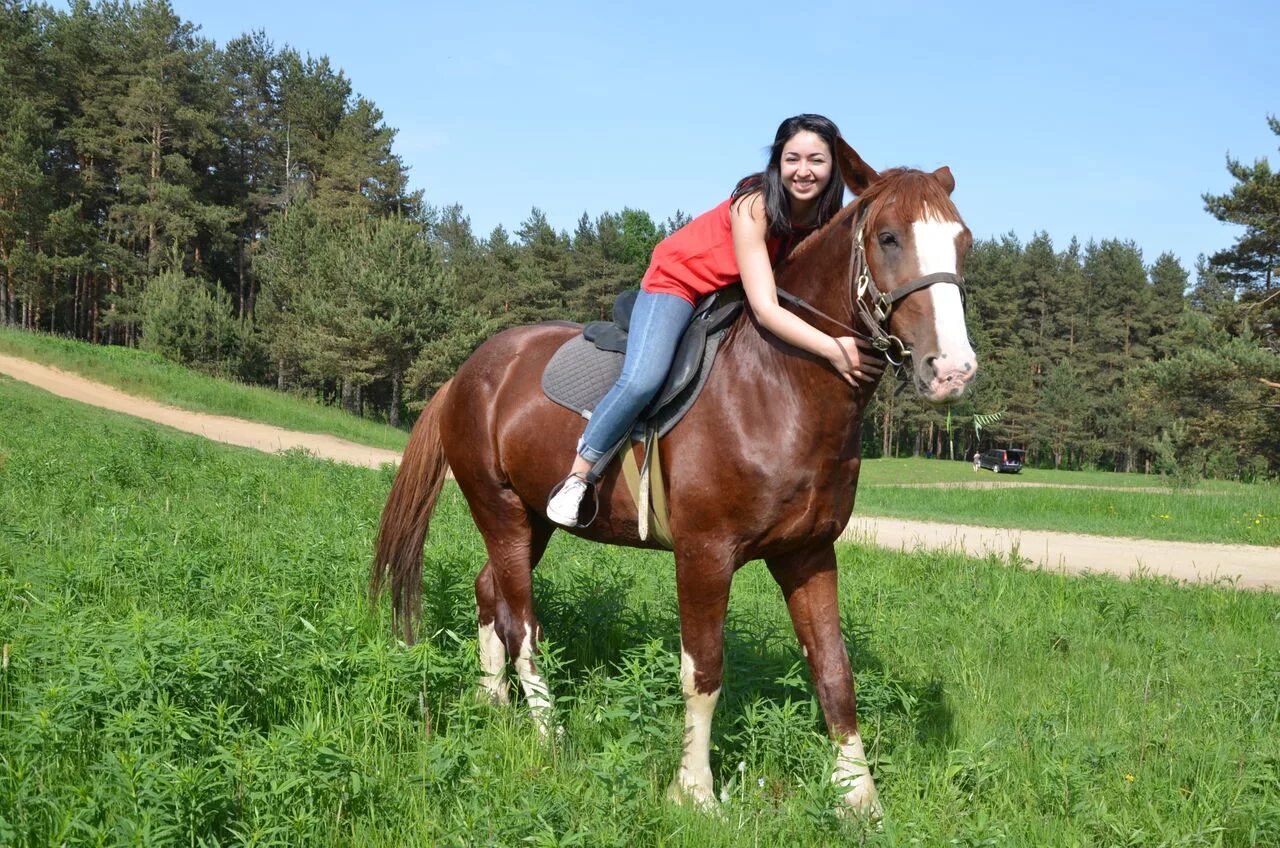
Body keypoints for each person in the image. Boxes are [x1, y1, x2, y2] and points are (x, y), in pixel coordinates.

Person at [546, 114, 883, 527]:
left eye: (817, 160)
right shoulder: (755, 204)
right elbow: (765, 308)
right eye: (792, 158)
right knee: (644, 377)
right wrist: (833, 348)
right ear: (777, 161)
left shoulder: (824, 217)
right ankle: (580, 474)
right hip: (680, 282)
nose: (804, 171)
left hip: (731, 290)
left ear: (834, 168)